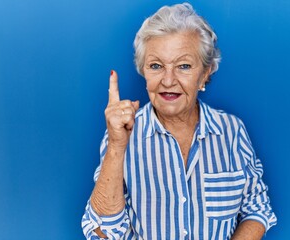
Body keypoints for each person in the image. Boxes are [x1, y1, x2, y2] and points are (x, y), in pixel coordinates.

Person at [82, 3, 277, 239]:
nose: (168, 80)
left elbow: (257, 209)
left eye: (183, 66)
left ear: (205, 74)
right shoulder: (121, 136)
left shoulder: (232, 131)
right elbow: (102, 231)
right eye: (156, 66)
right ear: (143, 72)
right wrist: (117, 144)